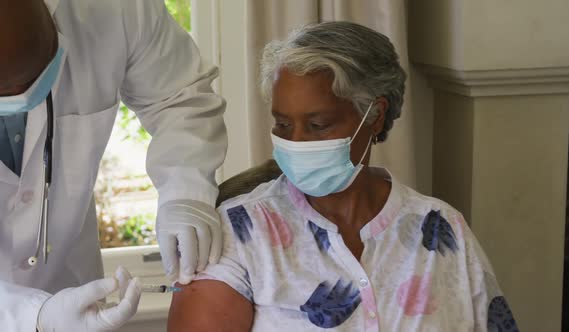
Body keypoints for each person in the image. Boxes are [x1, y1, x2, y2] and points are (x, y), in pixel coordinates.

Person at [168, 22, 519, 331]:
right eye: (283, 124)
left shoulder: (443, 228)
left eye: (318, 125)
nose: (296, 143)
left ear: (375, 115)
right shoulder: (237, 236)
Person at [0, 0, 227, 331]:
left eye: (33, 81)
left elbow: (179, 98)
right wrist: (35, 316)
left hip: (69, 284)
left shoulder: (114, 7)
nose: (21, 99)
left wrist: (186, 192)